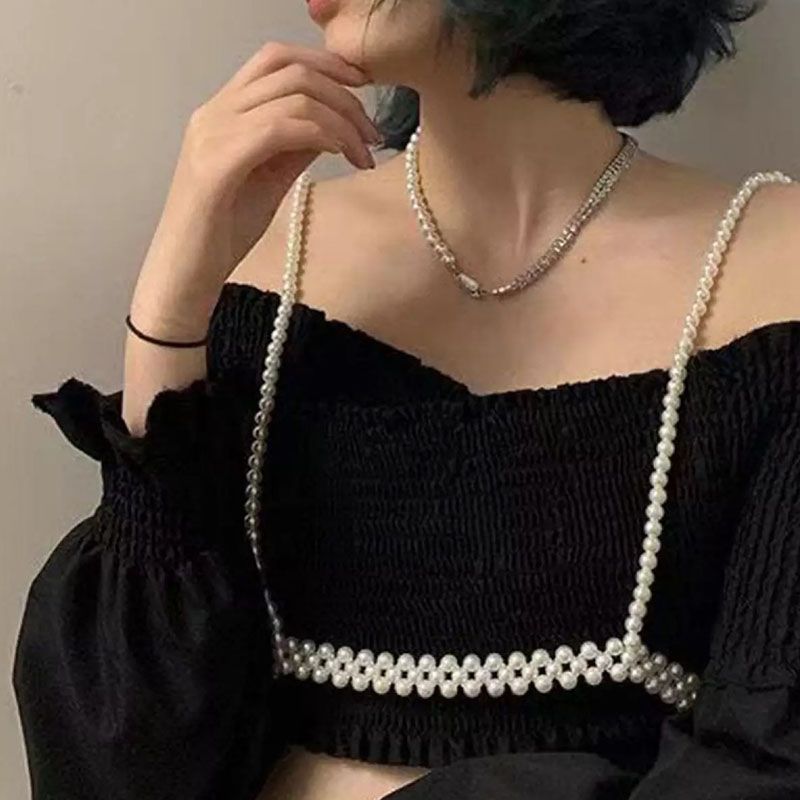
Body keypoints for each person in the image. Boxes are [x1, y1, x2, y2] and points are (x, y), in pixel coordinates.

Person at [13, 1, 800, 799]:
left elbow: (764, 767)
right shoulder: (264, 265)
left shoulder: (777, 277)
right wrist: (169, 317)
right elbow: (124, 759)